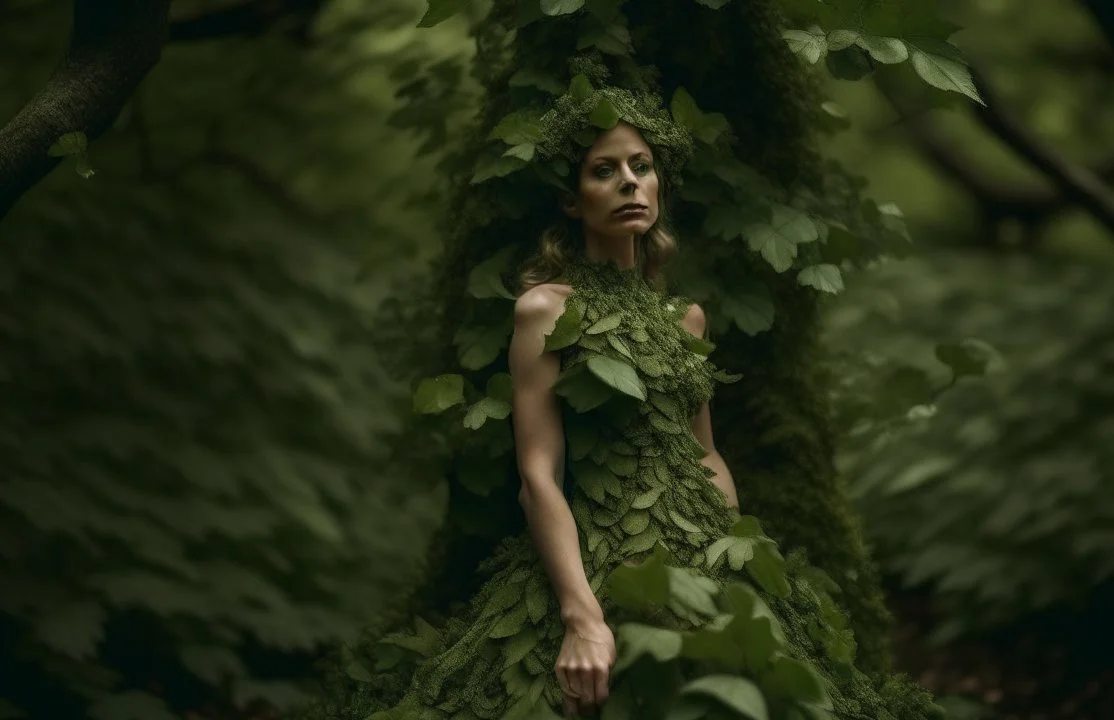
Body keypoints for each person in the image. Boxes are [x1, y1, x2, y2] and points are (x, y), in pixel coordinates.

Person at [320, 82, 941, 720]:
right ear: (571, 198)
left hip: (704, 551)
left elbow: (707, 456)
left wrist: (734, 566)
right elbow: (537, 475)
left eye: (641, 167)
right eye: (604, 170)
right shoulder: (543, 310)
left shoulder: (686, 319)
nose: (629, 182)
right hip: (599, 558)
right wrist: (581, 614)